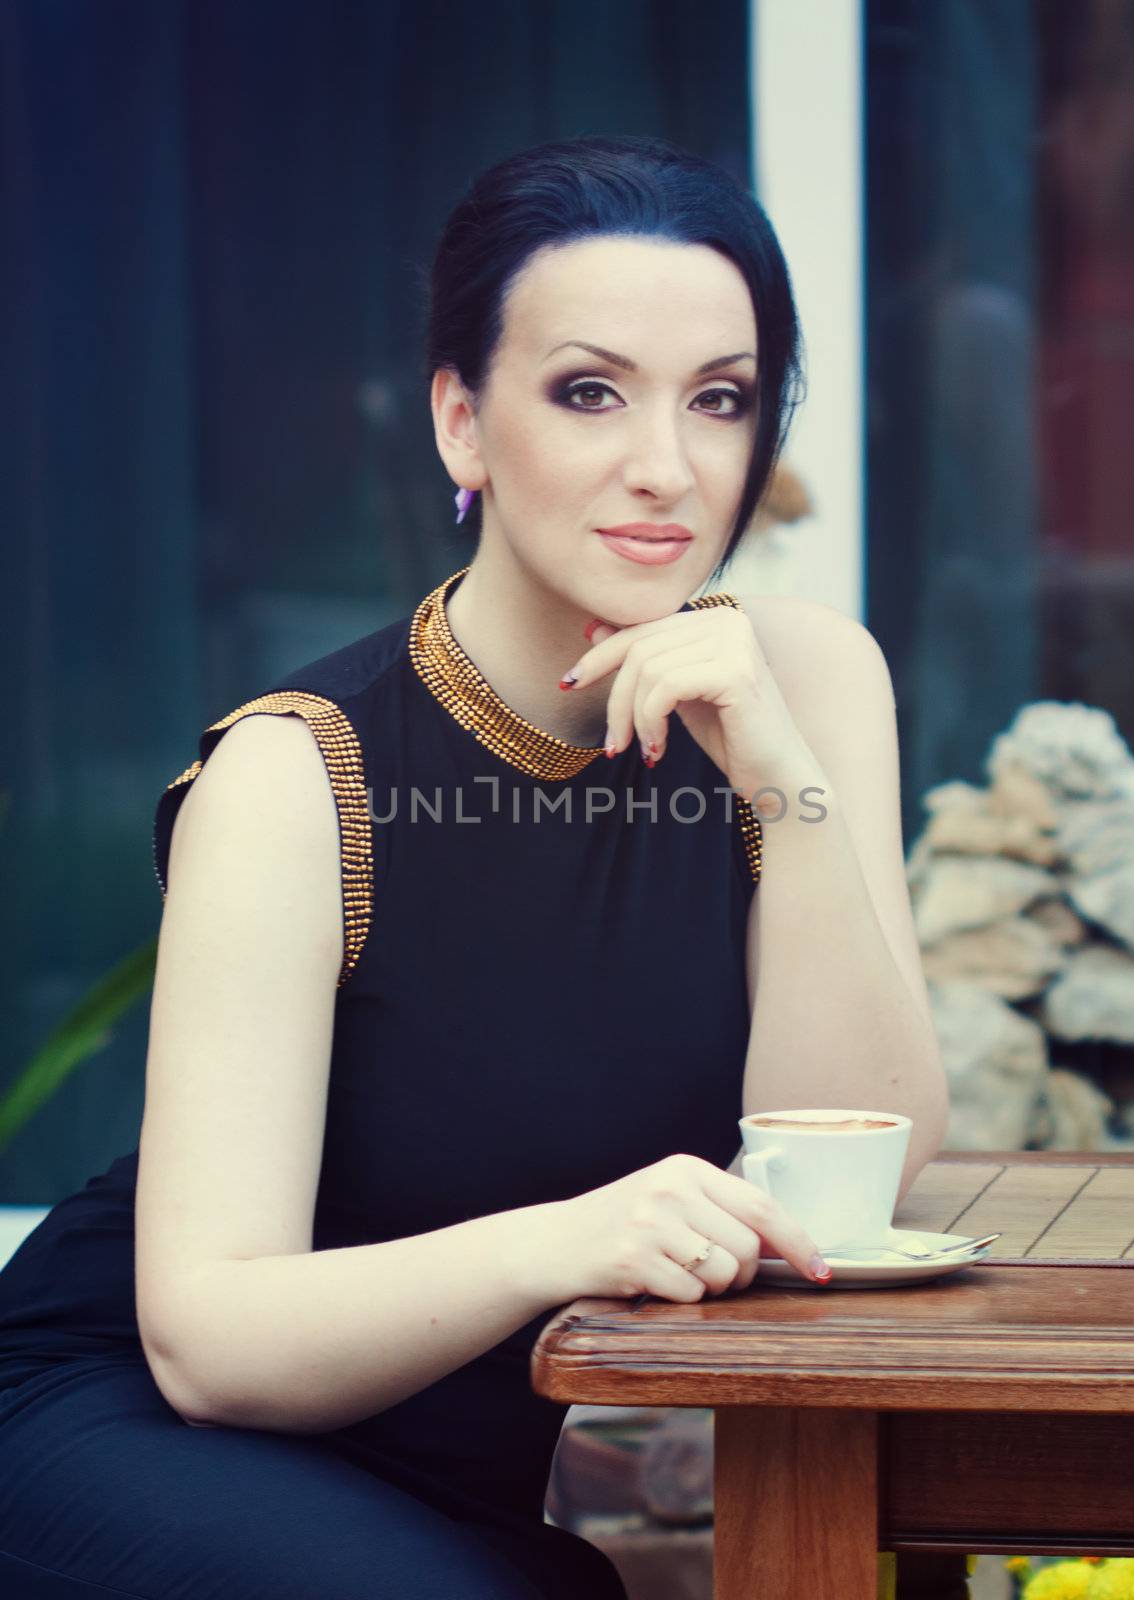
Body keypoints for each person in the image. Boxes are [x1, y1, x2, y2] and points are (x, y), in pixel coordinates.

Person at [0, 133, 950, 1598]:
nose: (665, 467)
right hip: (128, 1432)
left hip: (437, 1491)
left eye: (720, 400)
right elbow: (208, 1343)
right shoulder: (298, 770)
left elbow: (868, 1161)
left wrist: (777, 776)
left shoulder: (806, 684)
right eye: (587, 392)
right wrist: (573, 1241)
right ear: (460, 421)